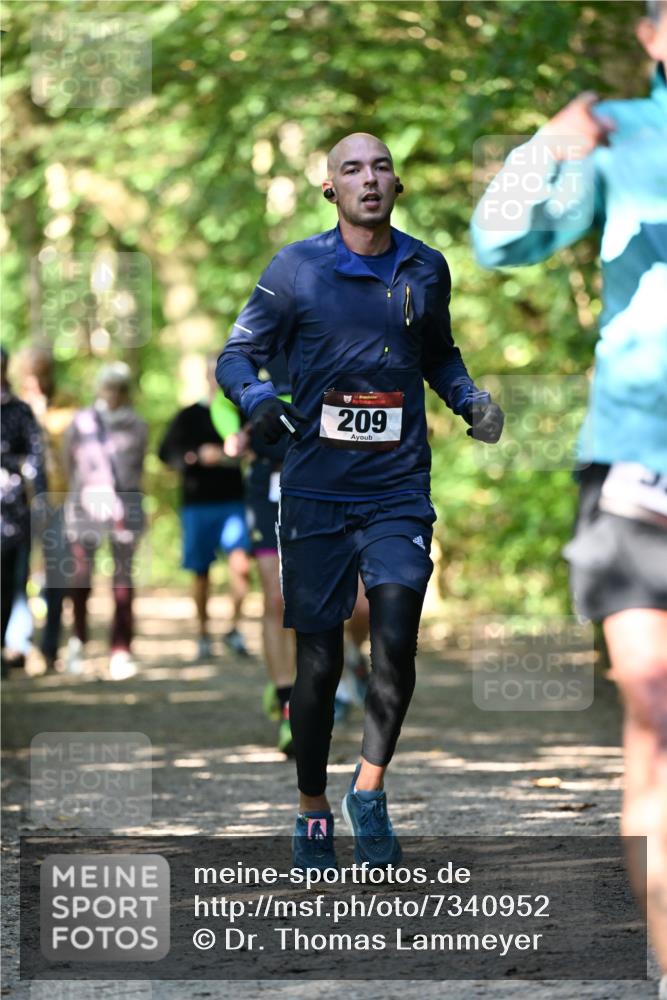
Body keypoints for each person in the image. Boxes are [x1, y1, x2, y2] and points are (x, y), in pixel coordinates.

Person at [218, 132, 504, 871]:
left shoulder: (425, 268)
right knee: (316, 666)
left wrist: (469, 399)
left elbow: (438, 352)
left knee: (397, 636)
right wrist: (257, 400)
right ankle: (312, 804)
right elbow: (234, 354)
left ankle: (368, 790)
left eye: (379, 166)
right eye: (351, 169)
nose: (367, 179)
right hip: (314, 489)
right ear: (330, 190)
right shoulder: (295, 270)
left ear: (395, 185)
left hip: (396, 487)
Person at [470, 3, 667, 991]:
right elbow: (498, 243)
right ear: (648, 34)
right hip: (641, 459)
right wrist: (545, 146)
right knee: (656, 711)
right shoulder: (621, 134)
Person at [158, 354, 251, 661]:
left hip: (234, 501)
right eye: (213, 373)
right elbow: (166, 453)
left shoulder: (240, 412)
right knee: (201, 572)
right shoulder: (187, 416)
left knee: (241, 566)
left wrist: (230, 456)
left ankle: (234, 629)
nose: (217, 379)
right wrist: (196, 456)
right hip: (197, 504)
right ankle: (202, 634)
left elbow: (256, 448)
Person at [62, 362, 147, 679]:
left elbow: (137, 468)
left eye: (118, 388)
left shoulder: (137, 425)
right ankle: (77, 642)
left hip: (126, 508)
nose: (112, 393)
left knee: (123, 581)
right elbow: (67, 461)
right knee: (80, 577)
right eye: (107, 387)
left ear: (125, 392)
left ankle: (121, 650)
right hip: (85, 507)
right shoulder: (81, 422)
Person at [14, 343, 76, 671]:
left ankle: (50, 647)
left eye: (41, 373)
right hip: (18, 505)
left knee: (56, 575)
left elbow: (73, 446)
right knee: (17, 574)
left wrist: (40, 418)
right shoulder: (13, 404)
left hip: (58, 500)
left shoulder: (67, 404)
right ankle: (17, 645)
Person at [1, 346, 47, 674]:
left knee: (12, 584)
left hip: (15, 515)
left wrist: (39, 493)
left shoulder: (19, 410)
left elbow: (35, 456)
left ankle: (8, 647)